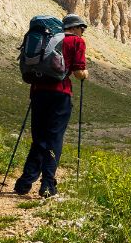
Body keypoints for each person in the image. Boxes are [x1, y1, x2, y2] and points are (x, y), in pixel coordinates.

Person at [15, 14, 88, 197]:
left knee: (39, 138)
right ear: (76, 27)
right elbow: (79, 72)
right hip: (60, 94)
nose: (83, 32)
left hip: (38, 92)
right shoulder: (76, 42)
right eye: (82, 28)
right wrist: (85, 74)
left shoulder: (47, 38)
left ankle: (24, 183)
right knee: (54, 138)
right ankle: (48, 185)